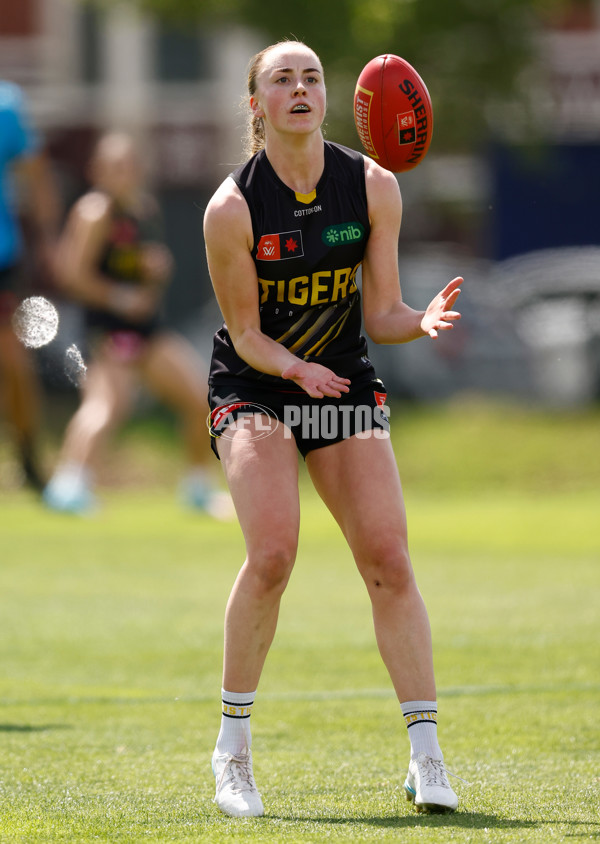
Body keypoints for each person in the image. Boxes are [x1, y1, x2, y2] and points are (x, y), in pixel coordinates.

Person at [204, 40, 464, 818]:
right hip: (258, 386)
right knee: (274, 553)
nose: (299, 87)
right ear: (256, 104)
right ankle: (232, 753)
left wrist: (418, 321)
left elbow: (379, 315)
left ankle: (427, 757)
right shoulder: (232, 208)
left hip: (341, 381)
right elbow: (247, 337)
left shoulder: (373, 185)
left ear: (331, 96)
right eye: (280, 79)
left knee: (387, 556)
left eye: (311, 76)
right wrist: (296, 374)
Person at [43, 131, 228, 517]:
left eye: (128, 165)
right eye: (113, 166)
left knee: (198, 398)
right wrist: (119, 297)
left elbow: (141, 271)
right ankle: (69, 485)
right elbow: (69, 274)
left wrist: (155, 271)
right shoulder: (96, 211)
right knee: (106, 406)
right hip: (108, 332)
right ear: (96, 172)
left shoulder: (142, 210)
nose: (122, 173)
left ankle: (196, 488)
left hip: (147, 331)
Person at [0, 80, 61, 492]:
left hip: (2, 259)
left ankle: (28, 459)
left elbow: (36, 173)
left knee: (13, 363)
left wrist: (46, 242)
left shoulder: (6, 105)